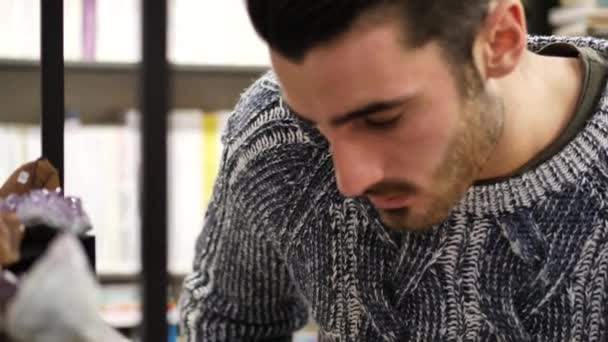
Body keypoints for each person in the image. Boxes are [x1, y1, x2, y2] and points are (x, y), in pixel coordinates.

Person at [179, 0, 608, 340]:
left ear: (499, 41)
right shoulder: (275, 135)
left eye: (383, 120)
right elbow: (226, 324)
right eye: (314, 124)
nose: (350, 179)